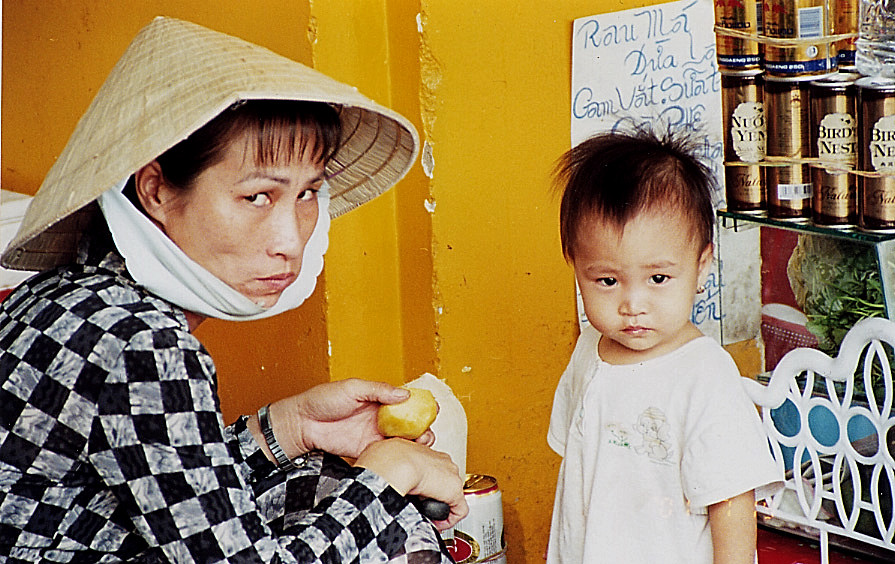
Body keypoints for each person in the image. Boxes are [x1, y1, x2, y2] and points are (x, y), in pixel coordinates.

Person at [0, 17, 466, 564]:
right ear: (156, 191)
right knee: (384, 522)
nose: (290, 239)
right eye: (258, 198)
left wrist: (292, 427)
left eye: (309, 193)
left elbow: (173, 493)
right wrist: (393, 474)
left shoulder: (72, 295)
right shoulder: (141, 342)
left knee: (325, 479)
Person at [545, 125, 782, 564]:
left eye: (658, 278)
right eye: (607, 280)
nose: (633, 304)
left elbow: (732, 504)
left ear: (701, 264)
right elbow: (577, 481)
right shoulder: (589, 351)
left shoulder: (705, 376)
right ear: (574, 265)